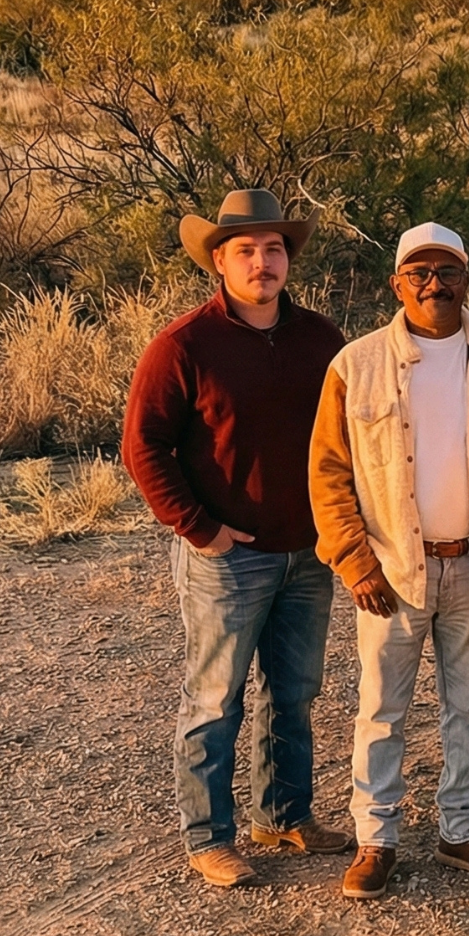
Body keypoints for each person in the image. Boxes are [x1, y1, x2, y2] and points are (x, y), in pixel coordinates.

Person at [123, 188, 352, 888]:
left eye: (274, 249)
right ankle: (208, 836)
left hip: (308, 552)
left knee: (295, 692)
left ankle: (282, 814)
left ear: (289, 260)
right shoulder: (183, 345)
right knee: (214, 699)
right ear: (218, 262)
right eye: (246, 251)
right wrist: (201, 529)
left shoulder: (322, 339)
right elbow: (144, 446)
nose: (263, 262)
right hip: (227, 556)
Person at [310, 223, 469, 902]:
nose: (435, 284)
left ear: (468, 277)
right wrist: (354, 561)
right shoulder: (356, 364)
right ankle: (377, 839)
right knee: (381, 709)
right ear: (396, 284)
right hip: (393, 570)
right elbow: (329, 472)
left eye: (448, 271)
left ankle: (462, 832)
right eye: (419, 272)